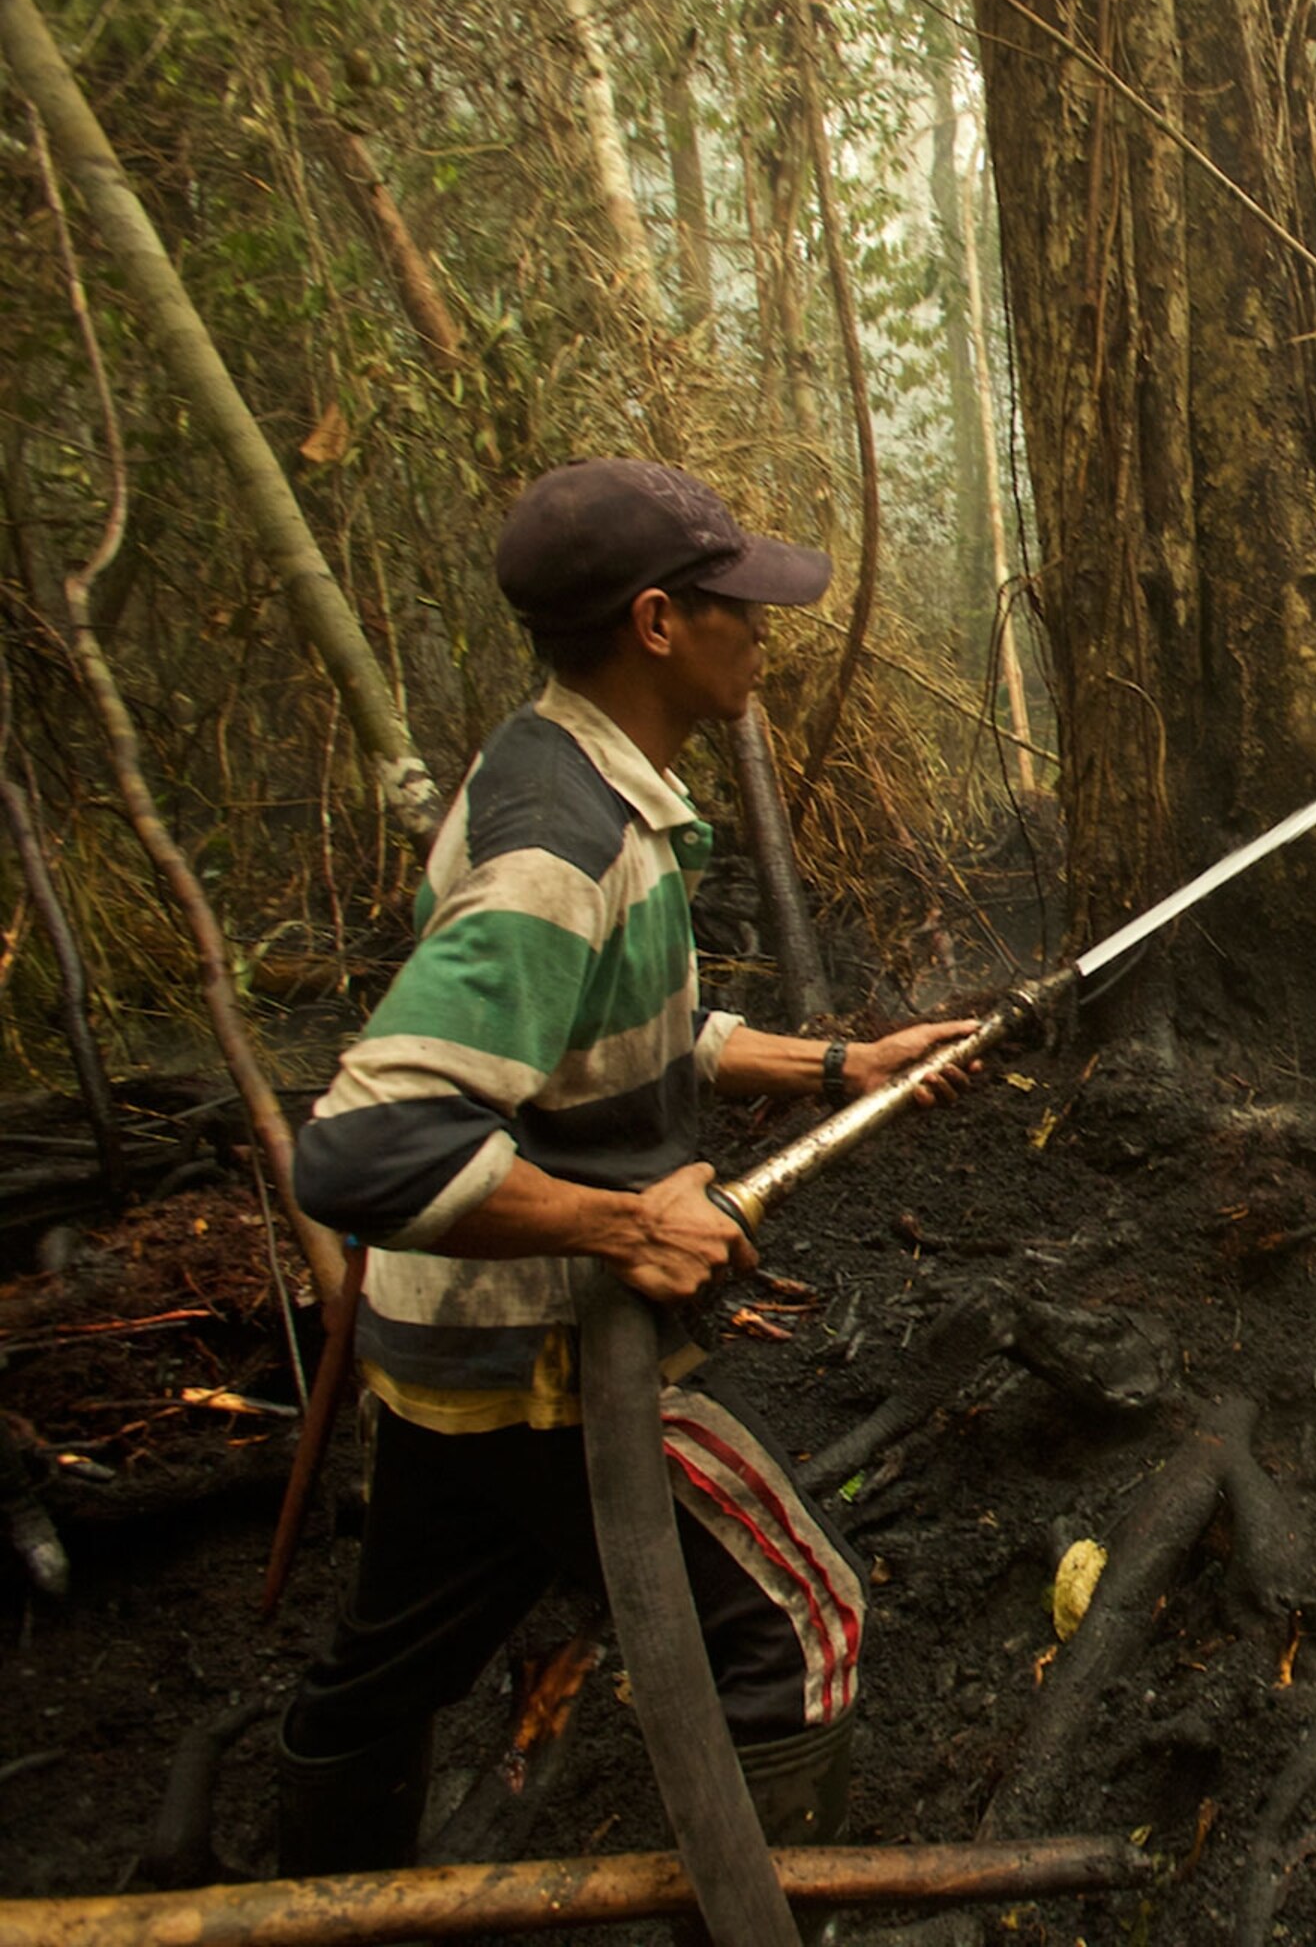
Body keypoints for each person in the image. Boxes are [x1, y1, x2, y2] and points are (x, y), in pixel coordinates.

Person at [276, 459, 977, 1875]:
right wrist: (618, 1229)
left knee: (387, 1668)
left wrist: (839, 1064)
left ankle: (317, 1902)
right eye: (740, 607)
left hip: (438, 1347)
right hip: (543, 1365)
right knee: (805, 1627)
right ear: (658, 623)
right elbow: (361, 1145)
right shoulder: (562, 843)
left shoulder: (561, 769)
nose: (764, 632)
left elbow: (598, 1024)